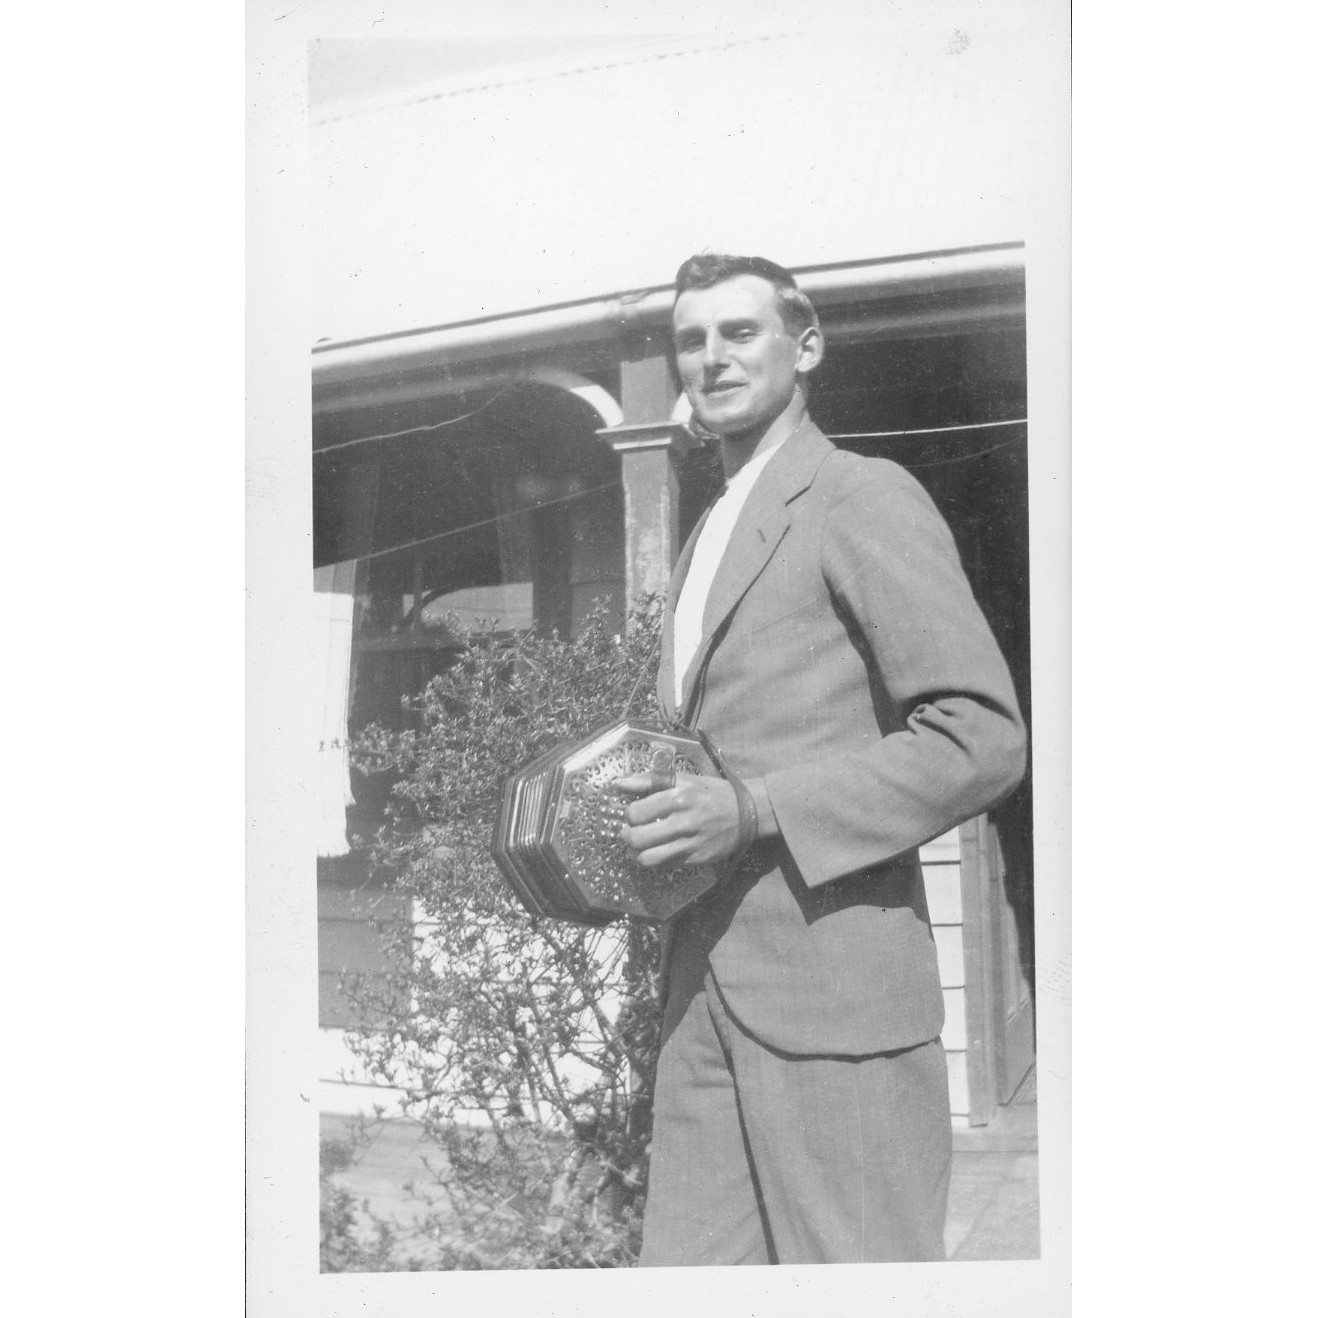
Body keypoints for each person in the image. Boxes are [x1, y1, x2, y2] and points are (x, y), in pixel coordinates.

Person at [615, 253, 1027, 1266]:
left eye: (739, 332)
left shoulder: (859, 495)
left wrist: (754, 808)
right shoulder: (712, 522)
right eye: (690, 339)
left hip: (836, 999)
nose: (711, 357)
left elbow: (980, 736)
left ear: (804, 347)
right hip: (699, 994)